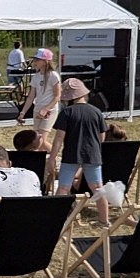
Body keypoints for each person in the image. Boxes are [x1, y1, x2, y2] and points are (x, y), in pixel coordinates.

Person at [48, 77, 110, 227]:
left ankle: (56, 221)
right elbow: (102, 136)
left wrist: (52, 157)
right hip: (92, 155)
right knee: (98, 188)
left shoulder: (67, 113)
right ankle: (104, 220)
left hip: (71, 155)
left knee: (63, 188)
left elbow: (59, 138)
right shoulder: (96, 112)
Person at [16, 47, 61, 146]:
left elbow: (57, 96)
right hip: (37, 110)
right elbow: (31, 97)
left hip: (49, 110)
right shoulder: (36, 77)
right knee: (37, 141)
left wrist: (46, 109)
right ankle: (50, 158)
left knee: (41, 141)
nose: (34, 62)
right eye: (34, 59)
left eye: (37, 60)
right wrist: (22, 112)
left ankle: (55, 157)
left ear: (45, 62)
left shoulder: (53, 76)